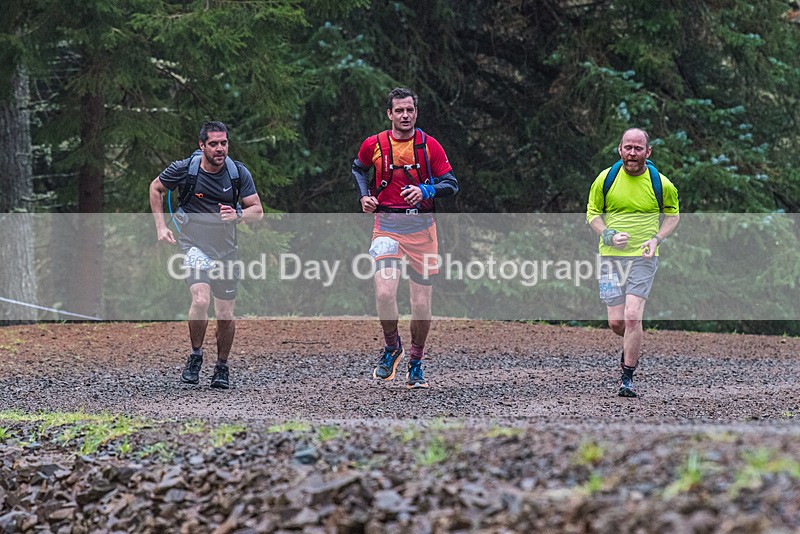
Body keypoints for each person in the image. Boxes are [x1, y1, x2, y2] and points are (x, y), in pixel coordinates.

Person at [351, 87, 459, 389]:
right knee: (385, 293)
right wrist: (364, 197)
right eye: (399, 110)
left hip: (422, 229)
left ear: (416, 112)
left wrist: (426, 191)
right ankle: (391, 346)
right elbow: (358, 168)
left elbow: (451, 184)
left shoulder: (429, 146)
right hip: (385, 225)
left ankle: (416, 361)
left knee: (421, 305)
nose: (405, 115)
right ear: (389, 114)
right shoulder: (374, 144)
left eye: (410, 110)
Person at [149, 121, 263, 389]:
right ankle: (196, 355)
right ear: (202, 146)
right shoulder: (184, 170)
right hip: (193, 245)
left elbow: (257, 210)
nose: (219, 148)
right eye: (213, 143)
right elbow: (156, 187)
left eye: (223, 143)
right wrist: (160, 227)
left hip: (226, 250)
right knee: (200, 299)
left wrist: (237, 214)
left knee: (225, 314)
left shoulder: (238, 174)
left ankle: (222, 366)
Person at [586, 128, 680, 397]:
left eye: (638, 148)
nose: (632, 153)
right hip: (609, 257)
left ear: (648, 152)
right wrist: (607, 233)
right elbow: (592, 213)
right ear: (620, 149)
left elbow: (673, 216)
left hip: (643, 257)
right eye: (628, 147)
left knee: (631, 316)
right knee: (617, 322)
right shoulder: (606, 179)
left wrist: (656, 239)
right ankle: (632, 341)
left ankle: (627, 377)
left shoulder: (661, 183)